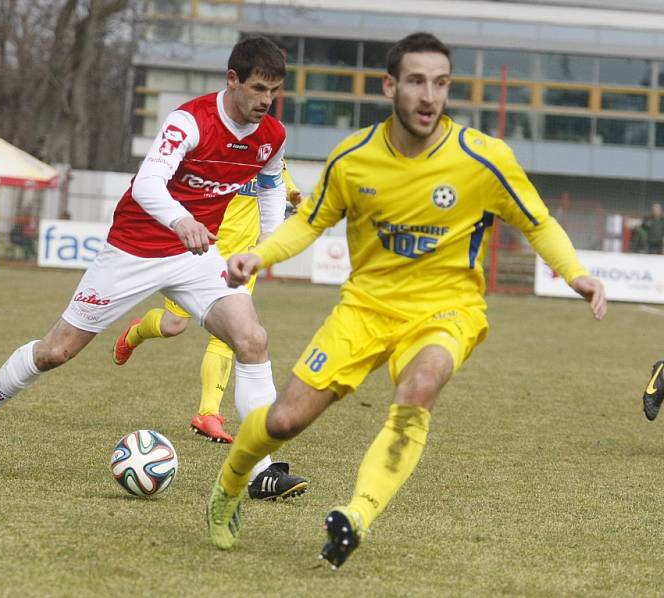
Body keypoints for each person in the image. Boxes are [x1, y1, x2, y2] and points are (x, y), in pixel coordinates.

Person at [205, 32, 607, 568]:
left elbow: (538, 222)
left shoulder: (482, 159)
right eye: (416, 81)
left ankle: (356, 516)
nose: (429, 96)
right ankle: (231, 481)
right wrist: (260, 254)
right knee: (283, 422)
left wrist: (575, 273)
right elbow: (309, 222)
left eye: (441, 84)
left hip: (447, 308)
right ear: (390, 85)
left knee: (419, 388)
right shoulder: (354, 157)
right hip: (364, 309)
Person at [0, 36, 309, 502]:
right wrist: (181, 219)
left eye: (274, 90)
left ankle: (262, 471)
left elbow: (273, 184)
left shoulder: (272, 135)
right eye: (257, 88)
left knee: (252, 340)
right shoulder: (189, 121)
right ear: (232, 79)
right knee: (56, 351)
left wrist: (265, 247)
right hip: (134, 249)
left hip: (195, 258)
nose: (266, 101)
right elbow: (149, 183)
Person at [111, 166, 301, 447]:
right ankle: (137, 332)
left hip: (241, 259)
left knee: (230, 334)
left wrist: (300, 203)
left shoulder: (269, 156)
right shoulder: (227, 155)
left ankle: (208, 413)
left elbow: (288, 190)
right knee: (173, 325)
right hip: (200, 252)